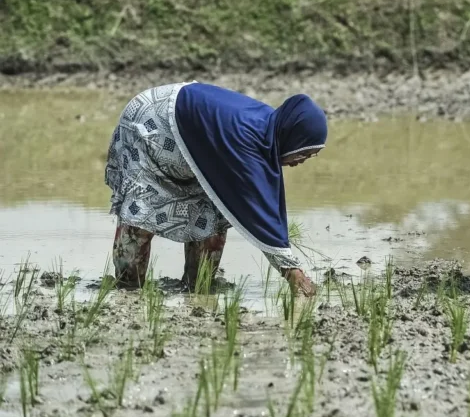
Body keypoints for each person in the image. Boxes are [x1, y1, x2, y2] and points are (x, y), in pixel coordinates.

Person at [105, 82, 325, 295]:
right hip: (151, 123)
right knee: (141, 212)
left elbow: (265, 208)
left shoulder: (268, 132)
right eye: (304, 153)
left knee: (215, 211)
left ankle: (197, 287)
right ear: (291, 137)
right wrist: (292, 272)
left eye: (311, 155)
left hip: (194, 141)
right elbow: (257, 213)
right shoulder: (245, 140)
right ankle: (128, 290)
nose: (302, 160)